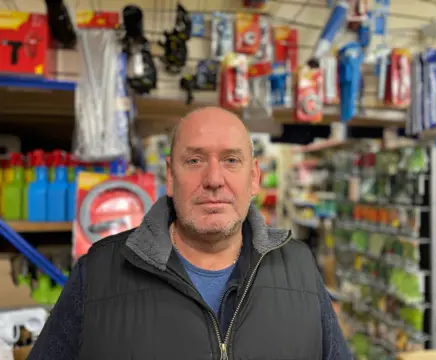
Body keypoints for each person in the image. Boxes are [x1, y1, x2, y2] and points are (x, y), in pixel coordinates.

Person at [28, 106, 351, 360]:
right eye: (194, 160)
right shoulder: (98, 271)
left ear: (254, 178)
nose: (213, 178)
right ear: (170, 176)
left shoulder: (300, 268)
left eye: (231, 160)